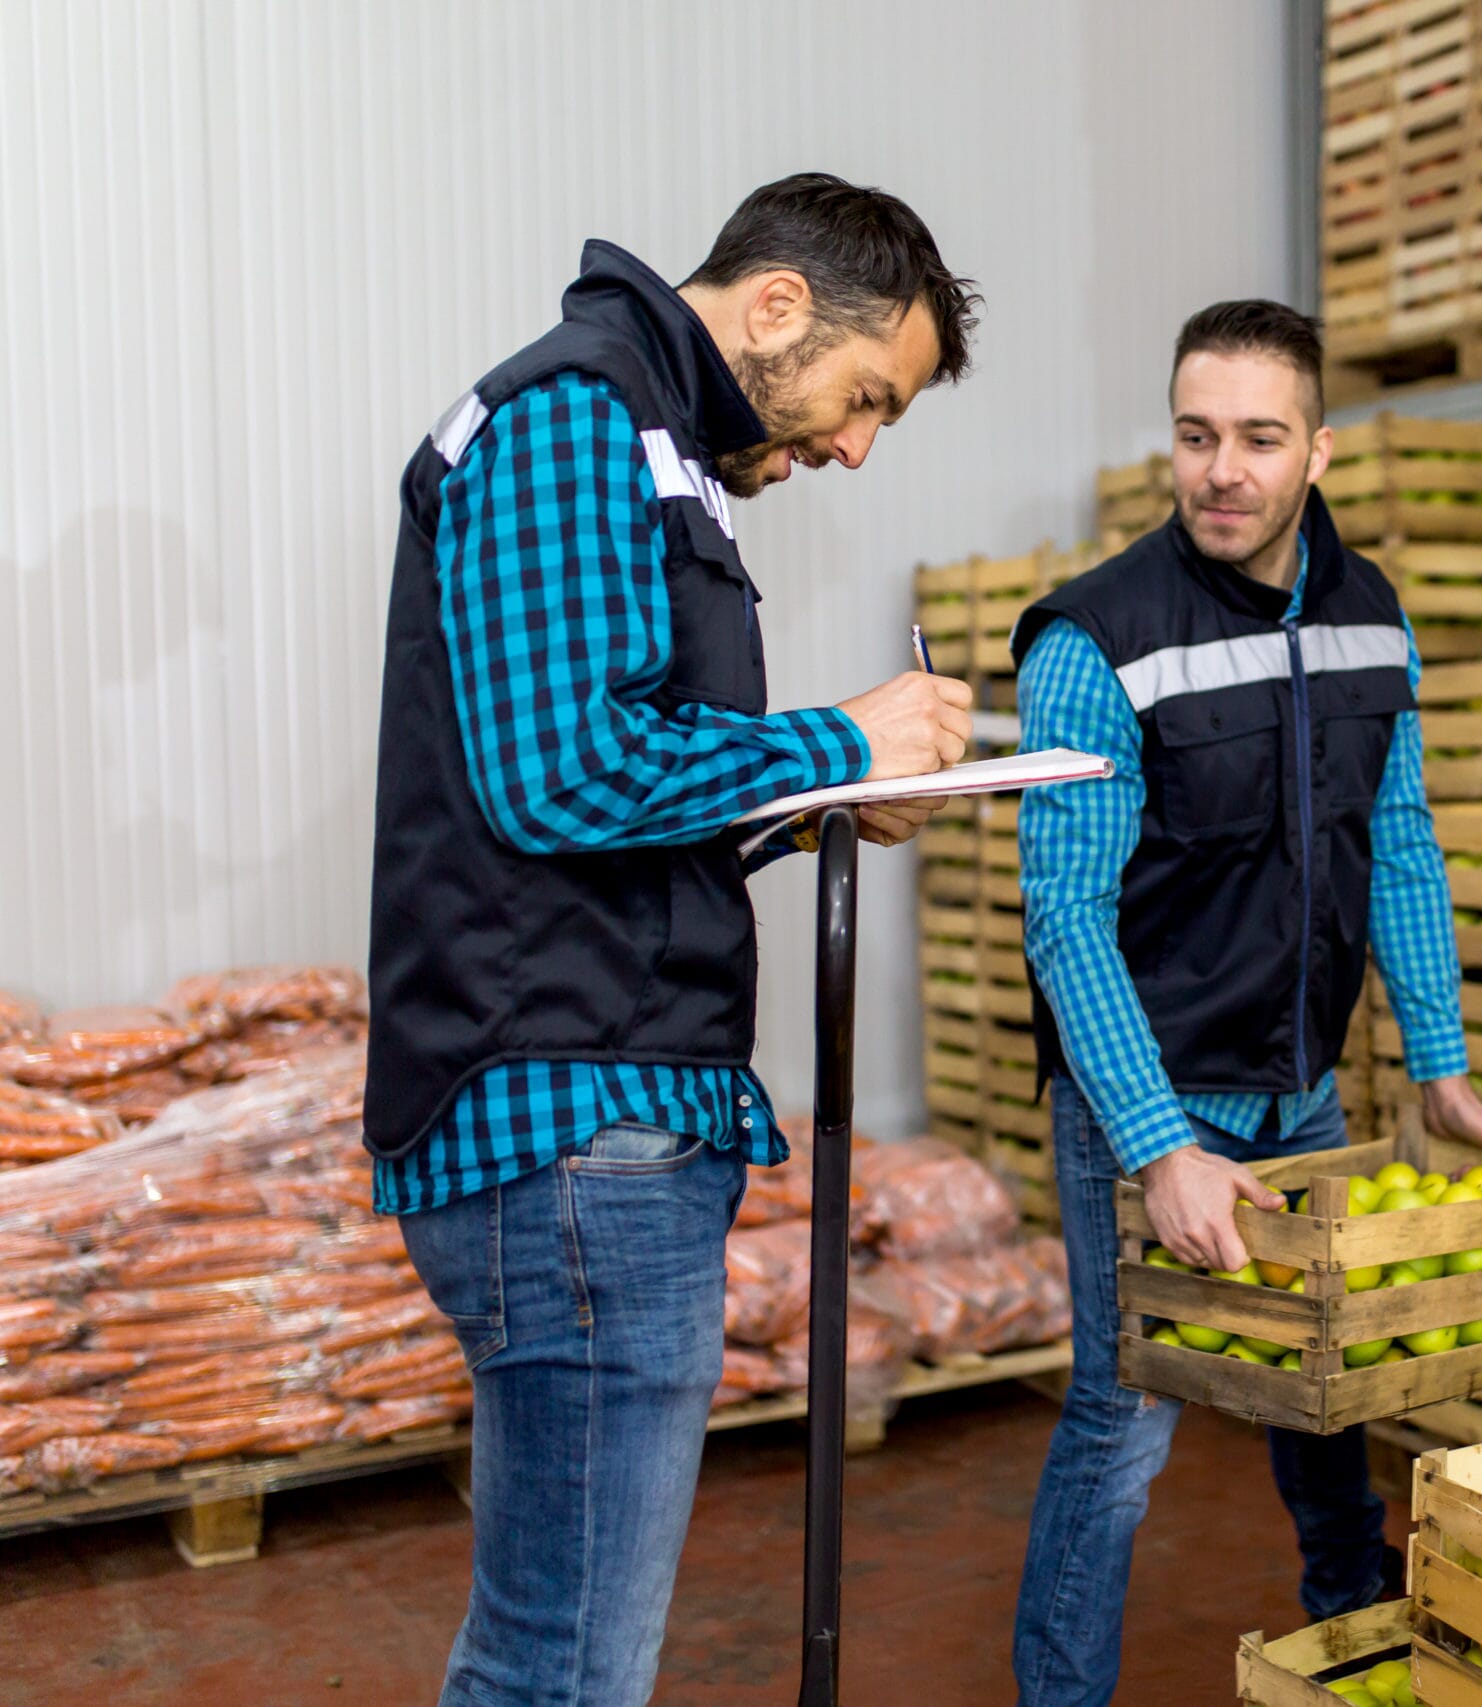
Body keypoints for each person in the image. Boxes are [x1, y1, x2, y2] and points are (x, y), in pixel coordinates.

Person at [363, 173, 980, 1707]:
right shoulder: (573, 420)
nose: (851, 445)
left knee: (556, 1653)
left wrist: (826, 797)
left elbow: (619, 813)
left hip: (612, 1120)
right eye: (862, 397)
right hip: (573, 1128)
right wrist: (834, 733)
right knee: (563, 1669)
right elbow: (565, 768)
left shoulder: (661, 450)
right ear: (775, 309)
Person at [1007, 299, 1482, 1706]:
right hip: (1154, 1098)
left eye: (1257, 438)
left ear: (1319, 448)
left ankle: (1355, 1636)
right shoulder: (1095, 642)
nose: (1222, 472)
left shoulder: (1372, 620)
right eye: (1196, 437)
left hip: (1302, 1083)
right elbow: (1065, 915)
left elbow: (1402, 838)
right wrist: (1156, 1144)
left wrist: (1440, 1059)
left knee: (1332, 1385)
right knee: (1120, 1432)